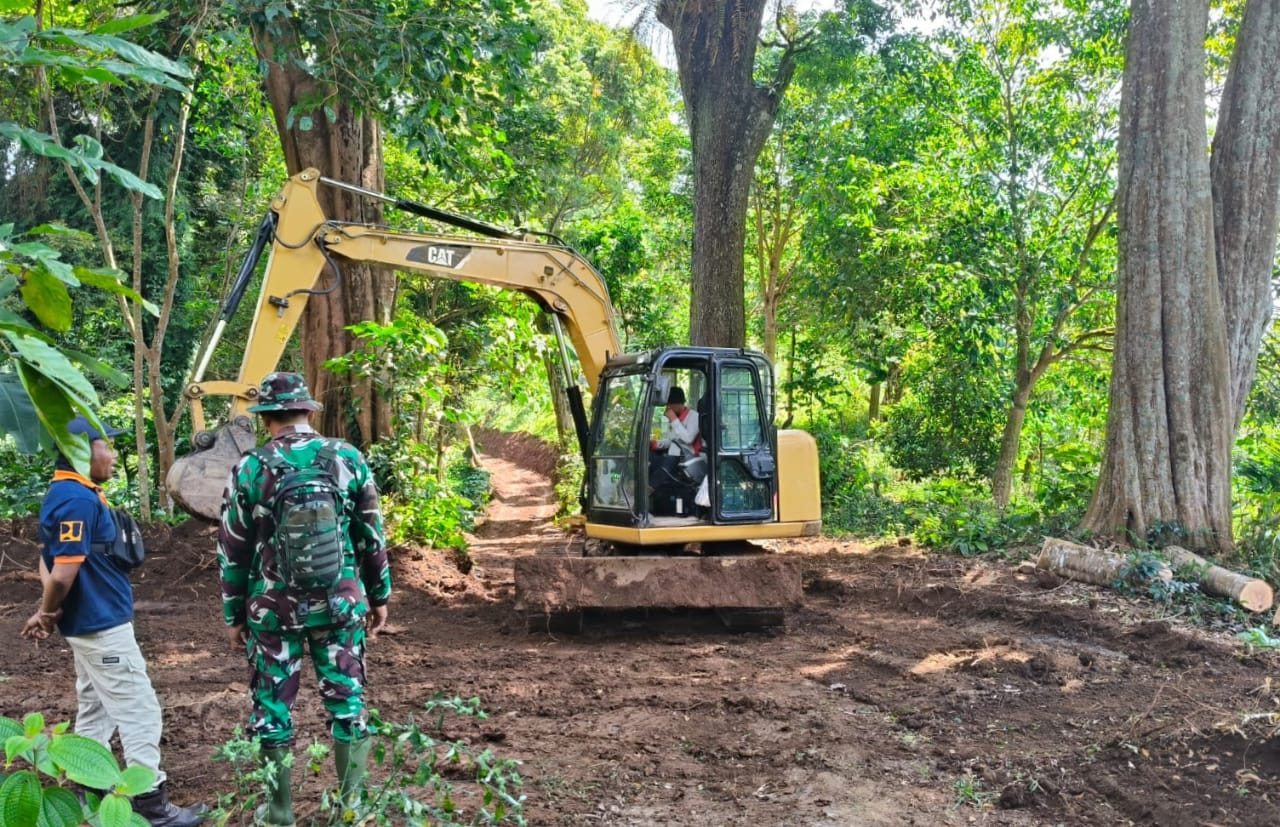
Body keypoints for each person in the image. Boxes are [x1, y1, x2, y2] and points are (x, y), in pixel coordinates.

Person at [218, 372, 391, 827]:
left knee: (272, 709)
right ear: (308, 411)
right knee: (347, 700)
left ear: (266, 417)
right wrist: (379, 596)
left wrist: (233, 613)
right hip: (341, 604)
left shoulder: (251, 466)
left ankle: (279, 814)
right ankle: (352, 809)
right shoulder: (349, 458)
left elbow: (233, 547)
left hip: (273, 611)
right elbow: (371, 535)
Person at [21, 415, 208, 827]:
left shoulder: (69, 494)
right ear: (82, 451)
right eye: (106, 445)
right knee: (139, 709)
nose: (112, 454)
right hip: (100, 626)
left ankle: (88, 796)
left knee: (94, 709)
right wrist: (45, 610)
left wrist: (49, 608)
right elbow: (63, 571)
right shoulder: (77, 499)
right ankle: (149, 804)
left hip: (90, 624)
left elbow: (45, 556)